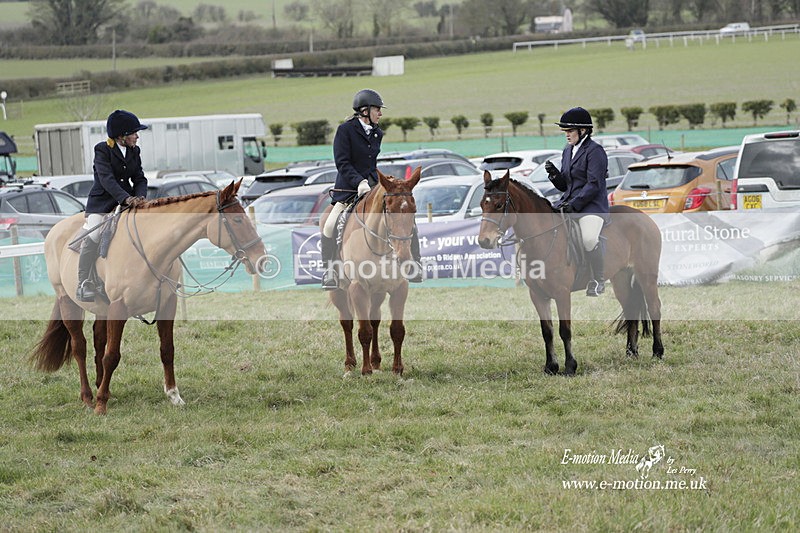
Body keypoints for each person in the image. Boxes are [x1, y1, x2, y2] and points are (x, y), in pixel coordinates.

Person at [320, 88, 423, 289]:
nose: (381, 114)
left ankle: (415, 264)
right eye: (378, 110)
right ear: (365, 110)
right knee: (330, 224)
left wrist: (379, 183)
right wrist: (359, 182)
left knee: (405, 218)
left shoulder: (377, 132)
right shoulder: (345, 130)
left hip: (372, 187)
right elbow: (342, 163)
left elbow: (370, 163)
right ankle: (330, 271)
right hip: (348, 190)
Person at [76, 110, 149, 302]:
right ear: (122, 136)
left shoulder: (135, 151)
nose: (137, 136)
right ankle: (84, 282)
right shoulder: (102, 150)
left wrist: (140, 197)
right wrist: (126, 198)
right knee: (93, 234)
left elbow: (140, 177)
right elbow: (107, 180)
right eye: (134, 133)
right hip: (102, 204)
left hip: (128, 202)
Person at [544, 106, 609, 297]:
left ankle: (598, 280)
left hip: (591, 206)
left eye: (570, 131)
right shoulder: (568, 151)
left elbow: (594, 184)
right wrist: (555, 175)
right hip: (570, 203)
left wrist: (575, 204)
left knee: (589, 238)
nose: (566, 134)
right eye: (565, 131)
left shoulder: (595, 151)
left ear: (583, 131)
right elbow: (566, 186)